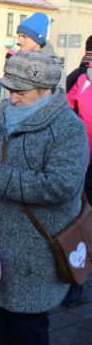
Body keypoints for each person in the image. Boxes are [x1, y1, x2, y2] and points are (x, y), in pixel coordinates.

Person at [0, 51, 87, 345]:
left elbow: (61, 186)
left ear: (46, 90)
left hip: (35, 252)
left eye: (20, 92)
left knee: (28, 327)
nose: (12, 98)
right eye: (9, 89)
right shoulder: (2, 112)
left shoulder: (68, 128)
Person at [63, 64, 92, 306]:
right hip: (83, 162)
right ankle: (76, 280)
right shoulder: (83, 79)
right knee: (80, 222)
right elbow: (66, 107)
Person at [16, 12, 65, 89]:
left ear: (37, 39)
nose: (19, 41)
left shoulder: (53, 68)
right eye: (19, 36)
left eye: (24, 36)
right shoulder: (15, 61)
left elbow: (58, 98)